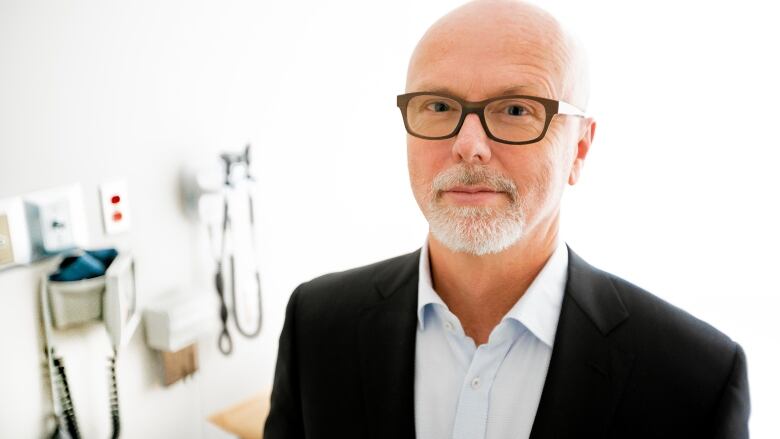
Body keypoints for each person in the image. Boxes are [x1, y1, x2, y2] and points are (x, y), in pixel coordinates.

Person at [263, 0, 750, 438]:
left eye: (516, 108)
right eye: (437, 105)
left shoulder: (695, 378)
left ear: (579, 148)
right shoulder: (316, 325)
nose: (468, 145)